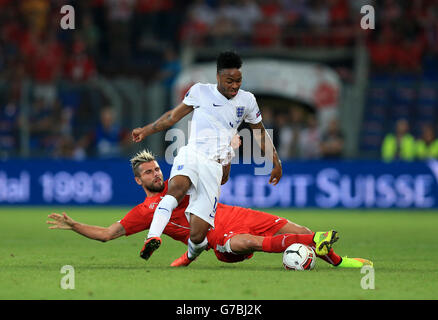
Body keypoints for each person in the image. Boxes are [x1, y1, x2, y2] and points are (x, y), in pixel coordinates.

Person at [46, 149, 372, 269]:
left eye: (157, 169)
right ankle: (317, 240)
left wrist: (226, 155)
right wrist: (74, 225)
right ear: (138, 180)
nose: (156, 173)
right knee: (244, 242)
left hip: (231, 212)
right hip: (216, 235)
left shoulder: (180, 180)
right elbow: (107, 234)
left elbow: (215, 175)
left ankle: (339, 261)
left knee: (296, 231)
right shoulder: (146, 211)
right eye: (148, 173)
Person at [131, 51, 283, 265]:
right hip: (192, 153)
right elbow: (172, 117)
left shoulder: (247, 100)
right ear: (218, 77)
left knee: (198, 234)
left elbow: (259, 132)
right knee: (176, 189)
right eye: (229, 81)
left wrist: (275, 161)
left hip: (214, 166)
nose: (234, 85)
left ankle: (193, 252)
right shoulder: (200, 91)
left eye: (238, 81)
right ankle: (153, 237)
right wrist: (146, 131)